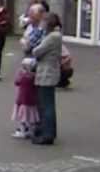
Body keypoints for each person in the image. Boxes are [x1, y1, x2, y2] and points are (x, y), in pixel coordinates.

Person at [29, 13, 64, 146]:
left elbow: (36, 51)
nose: (42, 24)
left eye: (43, 21)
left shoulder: (53, 37)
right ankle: (45, 131)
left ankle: (48, 134)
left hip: (47, 74)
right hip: (45, 73)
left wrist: (39, 35)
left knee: (47, 105)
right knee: (44, 104)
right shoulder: (51, 36)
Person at [12, 58, 40, 138]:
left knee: (22, 118)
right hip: (32, 101)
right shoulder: (35, 76)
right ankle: (31, 131)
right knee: (31, 117)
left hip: (22, 100)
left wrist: (19, 74)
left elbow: (16, 82)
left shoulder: (23, 77)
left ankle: (22, 132)